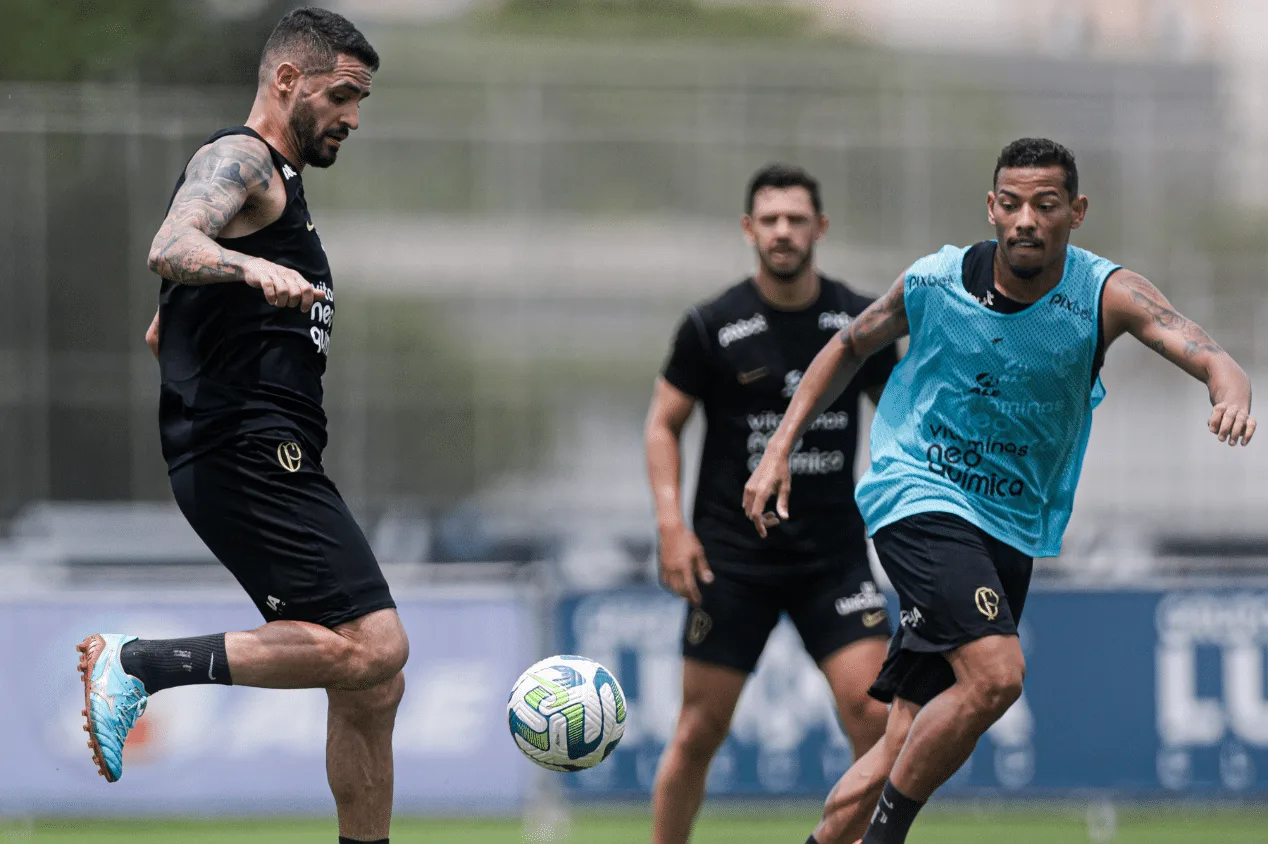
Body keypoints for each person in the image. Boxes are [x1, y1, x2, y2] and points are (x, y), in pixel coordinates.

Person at [742, 138, 1256, 844]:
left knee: (900, 744)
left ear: (1075, 213)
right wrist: (779, 450)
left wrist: (1229, 391)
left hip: (1008, 526)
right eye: (1010, 204)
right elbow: (849, 344)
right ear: (991, 207)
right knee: (997, 675)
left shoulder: (1106, 295)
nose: (1025, 220)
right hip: (917, 491)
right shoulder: (936, 281)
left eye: (1045, 206)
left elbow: (1204, 351)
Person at [76, 9, 406, 844]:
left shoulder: (284, 192)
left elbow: (165, 327)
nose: (353, 118)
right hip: (251, 449)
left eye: (363, 101)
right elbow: (172, 243)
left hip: (260, 446)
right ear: (287, 80)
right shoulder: (245, 161)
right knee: (376, 648)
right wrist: (249, 266)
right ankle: (139, 664)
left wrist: (204, 333)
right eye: (342, 95)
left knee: (371, 686)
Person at [646, 163, 897, 844]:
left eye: (796, 219)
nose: (783, 232)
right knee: (698, 731)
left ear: (820, 228)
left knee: (874, 718)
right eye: (770, 219)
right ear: (749, 229)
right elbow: (662, 424)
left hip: (833, 559)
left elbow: (907, 416)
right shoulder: (711, 324)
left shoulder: (860, 321)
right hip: (731, 558)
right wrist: (672, 526)